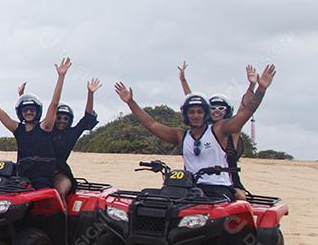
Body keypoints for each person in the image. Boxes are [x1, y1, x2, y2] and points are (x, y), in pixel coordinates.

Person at [115, 64, 276, 200]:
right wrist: (131, 102)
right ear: (186, 114)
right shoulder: (181, 135)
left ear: (206, 113)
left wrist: (261, 88)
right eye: (191, 112)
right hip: (188, 187)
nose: (196, 115)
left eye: (200, 112)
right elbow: (152, 124)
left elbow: (245, 112)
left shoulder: (220, 130)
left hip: (218, 189)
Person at [0, 58, 71, 194]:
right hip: (21, 178)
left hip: (42, 179)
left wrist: (61, 76)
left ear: (37, 111)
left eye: (32, 110)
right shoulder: (18, 129)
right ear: (20, 112)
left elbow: (53, 104)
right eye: (25, 110)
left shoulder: (45, 127)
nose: (28, 112)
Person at [178, 61, 259, 199]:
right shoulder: (200, 130)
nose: (216, 111)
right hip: (194, 182)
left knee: (240, 198)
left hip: (227, 183)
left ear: (227, 111)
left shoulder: (231, 130)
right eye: (213, 108)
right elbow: (191, 101)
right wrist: (183, 80)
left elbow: (245, 108)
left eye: (221, 108)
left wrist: (252, 85)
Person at [18, 78, 101, 195]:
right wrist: (21, 96)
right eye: (59, 117)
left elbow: (87, 117)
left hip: (60, 173)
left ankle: (63, 213)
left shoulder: (72, 133)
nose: (62, 121)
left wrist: (90, 93)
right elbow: (30, 119)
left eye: (66, 118)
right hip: (38, 172)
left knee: (59, 192)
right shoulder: (45, 130)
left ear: (70, 120)